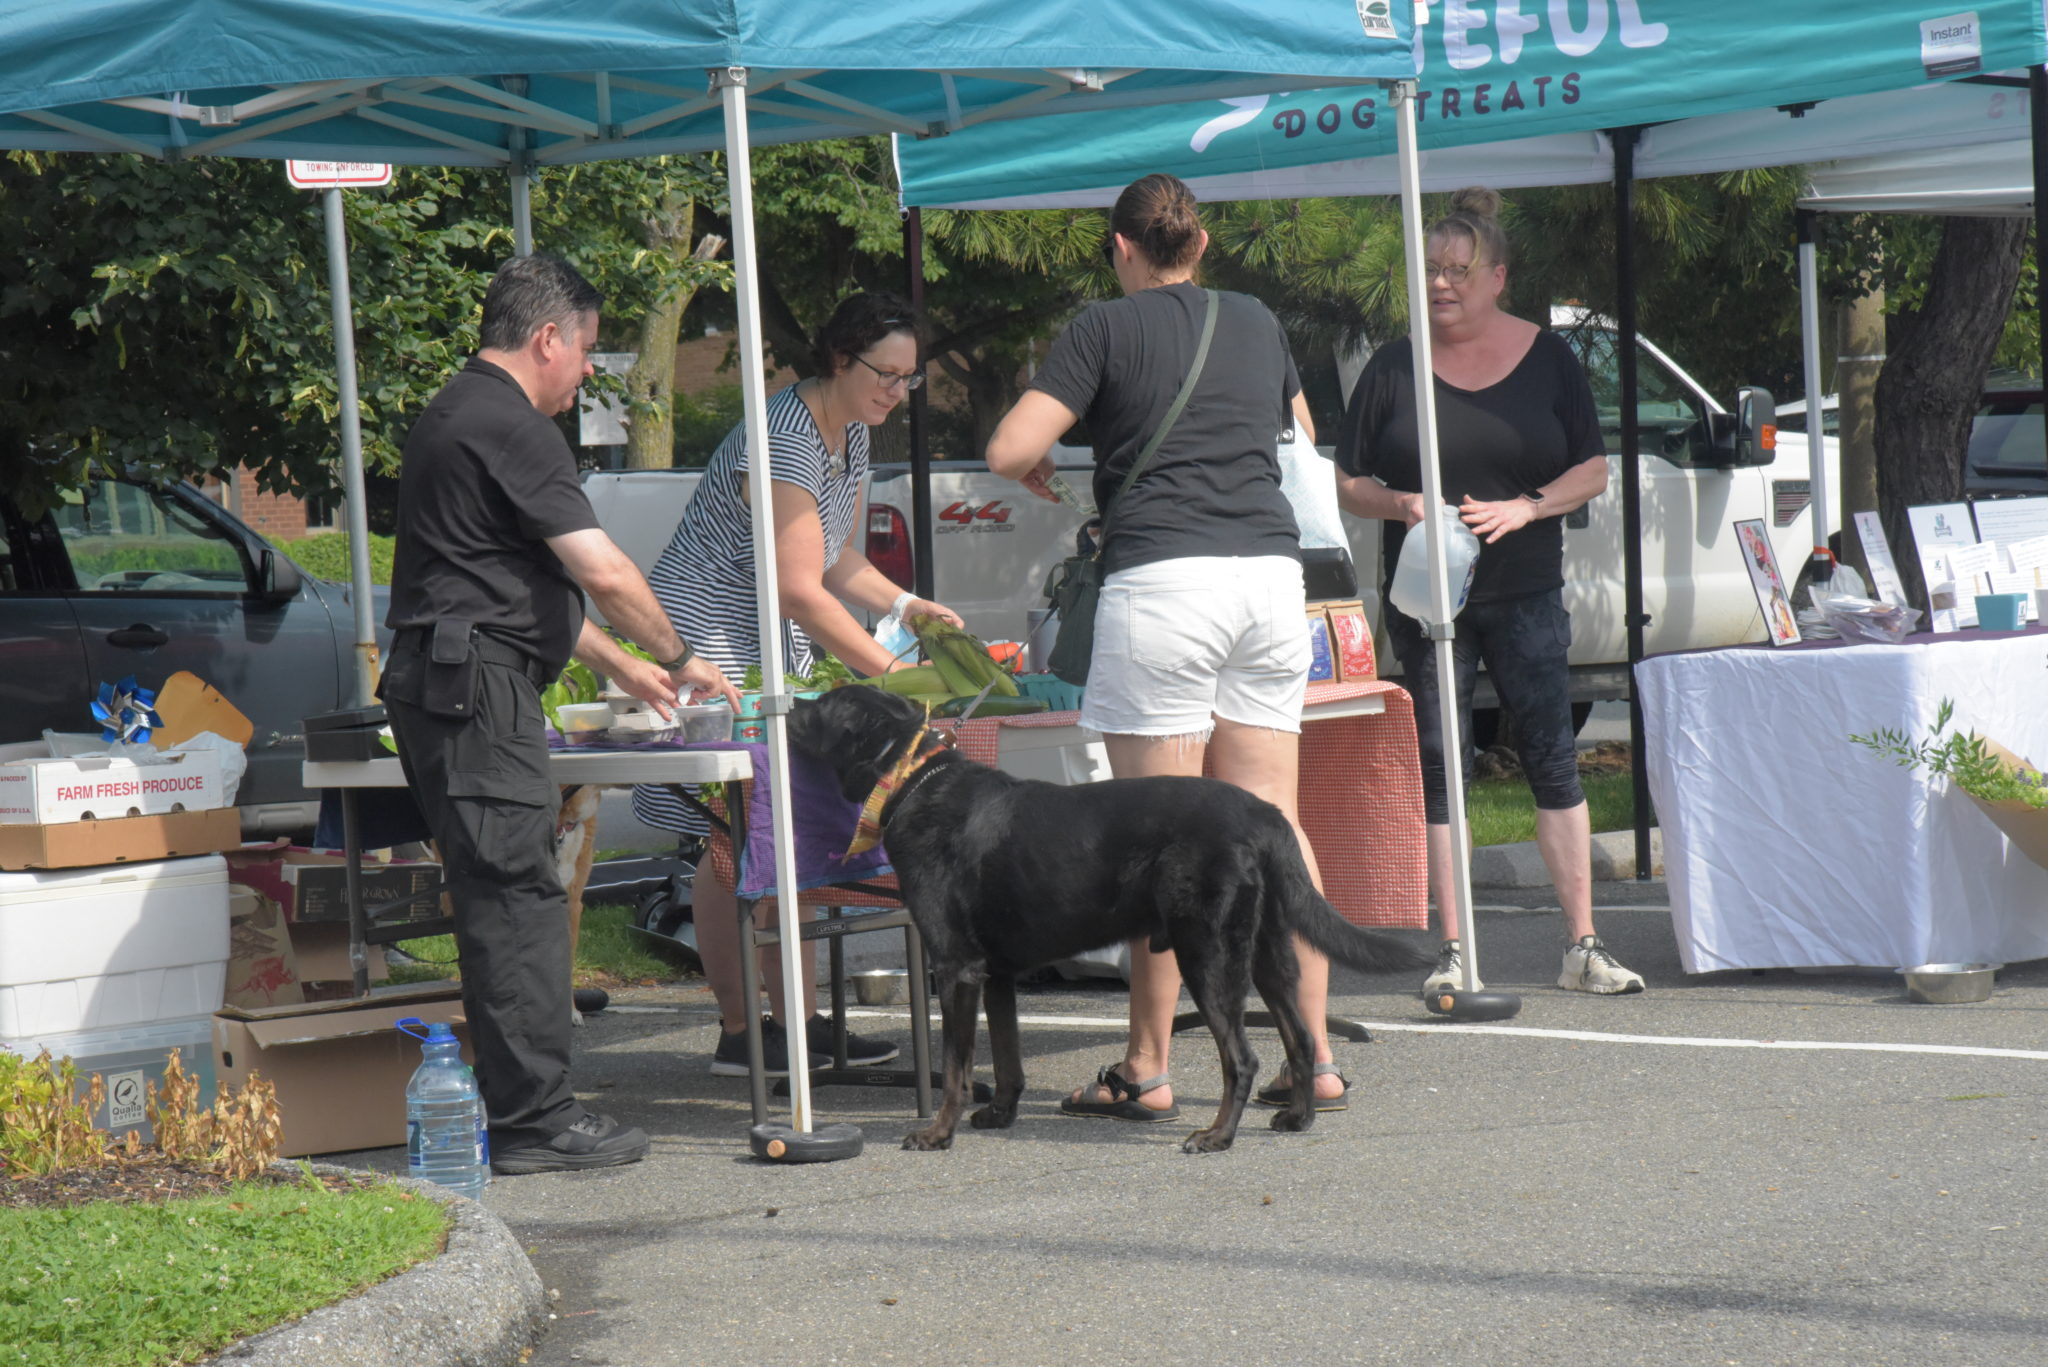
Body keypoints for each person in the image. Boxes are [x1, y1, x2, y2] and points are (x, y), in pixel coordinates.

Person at [985, 172, 1349, 1119]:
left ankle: (1147, 1063)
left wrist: (1042, 469)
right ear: (1201, 243)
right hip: (1269, 582)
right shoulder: (1259, 319)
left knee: (1154, 833)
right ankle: (1310, 1054)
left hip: (1165, 586)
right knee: (1273, 818)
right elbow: (1299, 438)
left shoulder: (1103, 328)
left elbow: (1006, 448)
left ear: (1122, 248)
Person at [382, 253, 741, 1175]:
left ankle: (525, 1106)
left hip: (453, 681)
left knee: (510, 893)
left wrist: (626, 665)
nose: (588, 372)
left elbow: (517, 589)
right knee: (516, 899)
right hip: (472, 690)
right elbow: (606, 571)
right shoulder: (512, 427)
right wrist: (678, 655)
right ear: (547, 337)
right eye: (585, 350)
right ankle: (536, 1120)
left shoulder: (460, 411)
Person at [630, 291, 964, 1078]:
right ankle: (745, 1031)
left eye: (910, 379)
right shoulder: (782, 437)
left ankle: (800, 1023)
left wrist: (908, 606)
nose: (898, 392)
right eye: (888, 373)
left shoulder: (849, 432)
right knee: (733, 839)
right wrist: (892, 670)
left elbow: (835, 563)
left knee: (768, 833)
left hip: (762, 644)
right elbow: (798, 588)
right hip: (709, 644)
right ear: (841, 358)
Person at [1333, 186, 1645, 997]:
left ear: (1498, 276)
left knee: (1551, 757)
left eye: (1457, 270)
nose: (1441, 283)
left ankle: (1583, 941)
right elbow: (1350, 482)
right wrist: (1401, 502)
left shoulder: (1550, 359)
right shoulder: (1395, 363)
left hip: (1527, 590)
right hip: (1431, 599)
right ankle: (1454, 949)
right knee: (1443, 765)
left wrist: (1529, 506)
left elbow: (1593, 469)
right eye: (1431, 269)